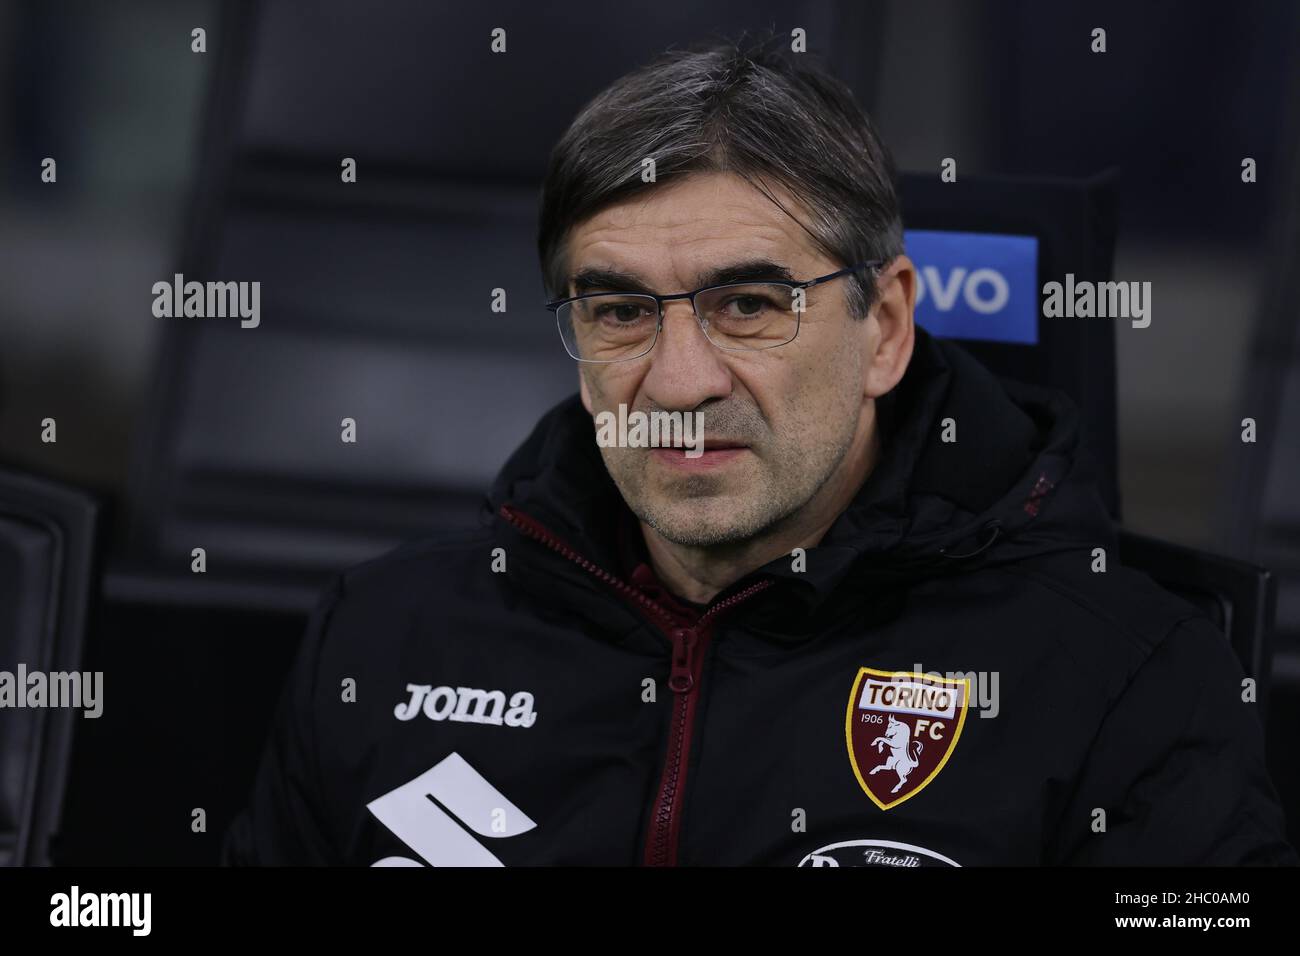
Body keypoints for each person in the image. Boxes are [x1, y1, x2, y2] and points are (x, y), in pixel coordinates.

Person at [223, 38, 1296, 867]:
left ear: (882, 327)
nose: (680, 380)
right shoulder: (383, 637)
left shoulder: (1127, 681)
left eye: (746, 304)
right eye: (620, 311)